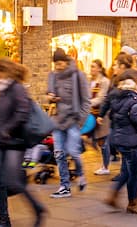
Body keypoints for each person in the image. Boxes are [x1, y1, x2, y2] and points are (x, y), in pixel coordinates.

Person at [0, 58, 45, 227]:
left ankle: (37, 208)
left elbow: (22, 112)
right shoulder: (3, 90)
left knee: (13, 182)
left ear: (4, 72)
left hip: (14, 142)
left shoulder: (17, 88)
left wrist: (6, 128)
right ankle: (4, 220)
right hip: (0, 141)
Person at [101, 69, 137, 214]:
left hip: (120, 139)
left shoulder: (117, 97)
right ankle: (132, 203)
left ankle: (114, 195)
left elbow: (112, 116)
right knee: (134, 173)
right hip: (132, 141)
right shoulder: (134, 99)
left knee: (126, 171)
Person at [45, 48, 89, 198]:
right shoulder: (53, 75)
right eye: (55, 64)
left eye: (60, 63)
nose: (58, 67)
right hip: (57, 120)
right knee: (58, 154)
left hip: (73, 120)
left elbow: (86, 100)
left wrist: (81, 121)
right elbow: (49, 93)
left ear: (66, 61)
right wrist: (51, 97)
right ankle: (65, 186)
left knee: (73, 151)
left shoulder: (78, 75)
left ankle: (81, 175)